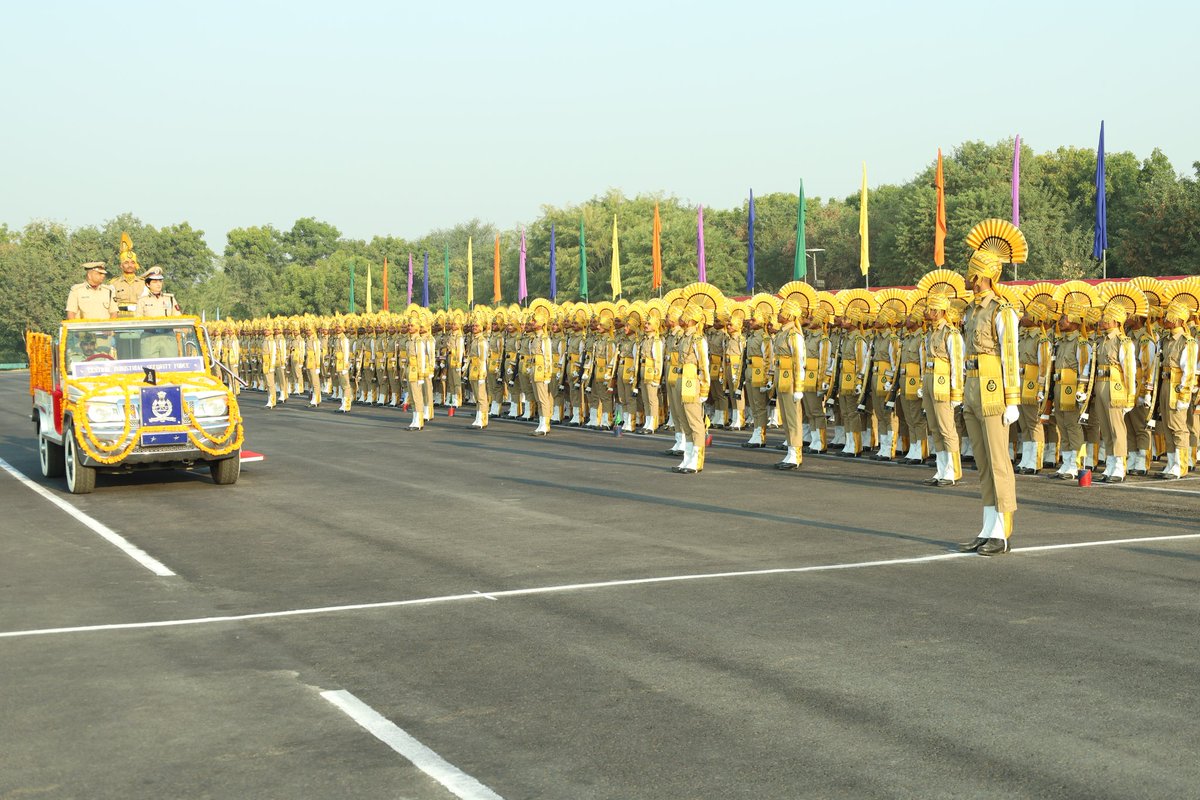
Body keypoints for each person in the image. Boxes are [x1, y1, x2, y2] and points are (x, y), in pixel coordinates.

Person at [956, 250, 1021, 557]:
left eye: (971, 272)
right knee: (982, 464)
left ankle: (1002, 533)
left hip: (993, 390)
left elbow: (1010, 356)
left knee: (998, 462)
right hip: (972, 387)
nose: (967, 277)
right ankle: (987, 528)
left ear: (981, 276)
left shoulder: (1002, 310)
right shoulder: (970, 310)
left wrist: (1013, 400)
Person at [1156, 300, 1197, 479]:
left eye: (1169, 317)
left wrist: (1184, 396)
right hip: (1165, 384)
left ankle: (1180, 465)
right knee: (1167, 426)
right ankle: (1171, 463)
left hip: (1177, 388)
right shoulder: (1166, 340)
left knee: (1178, 427)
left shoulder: (1187, 342)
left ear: (1179, 320)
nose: (1165, 319)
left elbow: (1189, 371)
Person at [671, 305, 710, 474]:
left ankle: (696, 459)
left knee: (695, 422)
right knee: (684, 420)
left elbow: (704, 366)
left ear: (691, 319)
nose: (680, 317)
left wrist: (704, 389)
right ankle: (687, 457)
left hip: (691, 381)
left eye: (684, 315)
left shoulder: (698, 340)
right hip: (681, 378)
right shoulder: (683, 337)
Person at [772, 301, 806, 470]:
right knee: (786, 417)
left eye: (782, 311)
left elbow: (799, 361)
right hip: (782, 379)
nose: (778, 314)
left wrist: (799, 387)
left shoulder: (794, 335)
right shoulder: (782, 333)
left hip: (791, 380)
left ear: (789, 315)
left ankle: (796, 454)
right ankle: (790, 451)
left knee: (793, 418)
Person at [110, 234, 144, 318]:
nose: (130, 265)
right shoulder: (114, 283)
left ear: (136, 265)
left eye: (132, 262)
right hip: (120, 319)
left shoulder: (143, 283)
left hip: (139, 319)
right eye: (126, 262)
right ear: (121, 266)